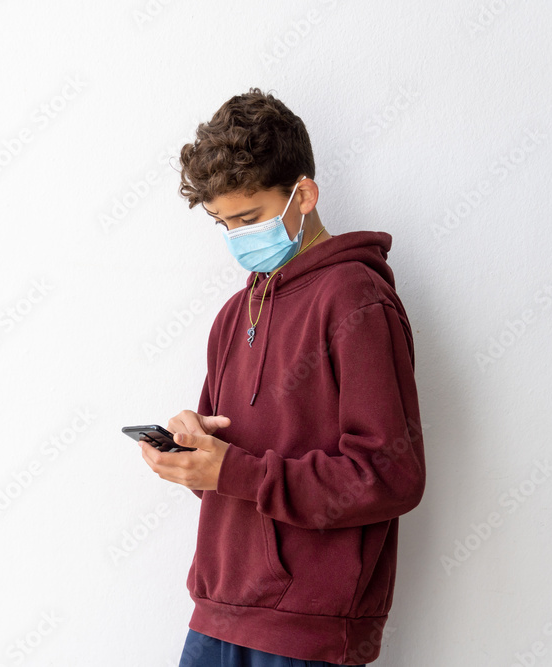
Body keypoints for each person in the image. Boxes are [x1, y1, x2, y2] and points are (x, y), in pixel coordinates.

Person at [136, 87, 426, 666]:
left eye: (248, 219)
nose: (237, 237)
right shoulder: (233, 314)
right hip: (216, 612)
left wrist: (235, 470)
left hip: (305, 629)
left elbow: (392, 476)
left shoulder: (355, 299)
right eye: (223, 223)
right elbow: (225, 476)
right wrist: (194, 453)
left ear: (304, 195)